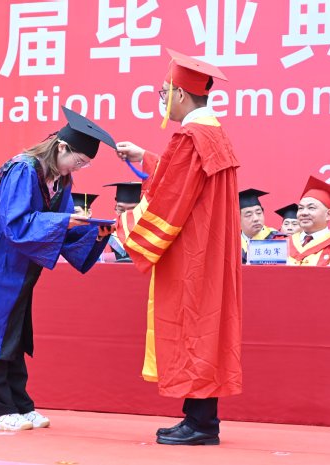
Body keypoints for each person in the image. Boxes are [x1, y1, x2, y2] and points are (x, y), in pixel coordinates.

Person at [0, 107, 115, 432]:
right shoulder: (24, 169)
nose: (80, 168)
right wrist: (64, 221)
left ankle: (19, 404)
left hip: (16, 267)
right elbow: (16, 223)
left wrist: (96, 232)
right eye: (79, 161)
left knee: (13, 334)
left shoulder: (61, 180)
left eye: (85, 164)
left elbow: (61, 228)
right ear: (62, 147)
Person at [115, 49, 242, 446]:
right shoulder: (213, 134)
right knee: (203, 328)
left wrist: (124, 227)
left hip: (192, 252)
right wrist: (146, 158)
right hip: (209, 248)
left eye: (163, 92)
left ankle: (201, 424)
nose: (162, 99)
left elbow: (171, 198)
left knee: (193, 327)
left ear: (181, 95)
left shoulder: (190, 138)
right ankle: (198, 417)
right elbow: (185, 179)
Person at [101, 182, 142, 262]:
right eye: (121, 210)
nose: (125, 215)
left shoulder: (153, 232)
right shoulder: (107, 232)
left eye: (131, 211)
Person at [239, 188, 279, 263]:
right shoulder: (232, 243)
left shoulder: (277, 238)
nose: (256, 218)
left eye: (258, 213)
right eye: (249, 215)